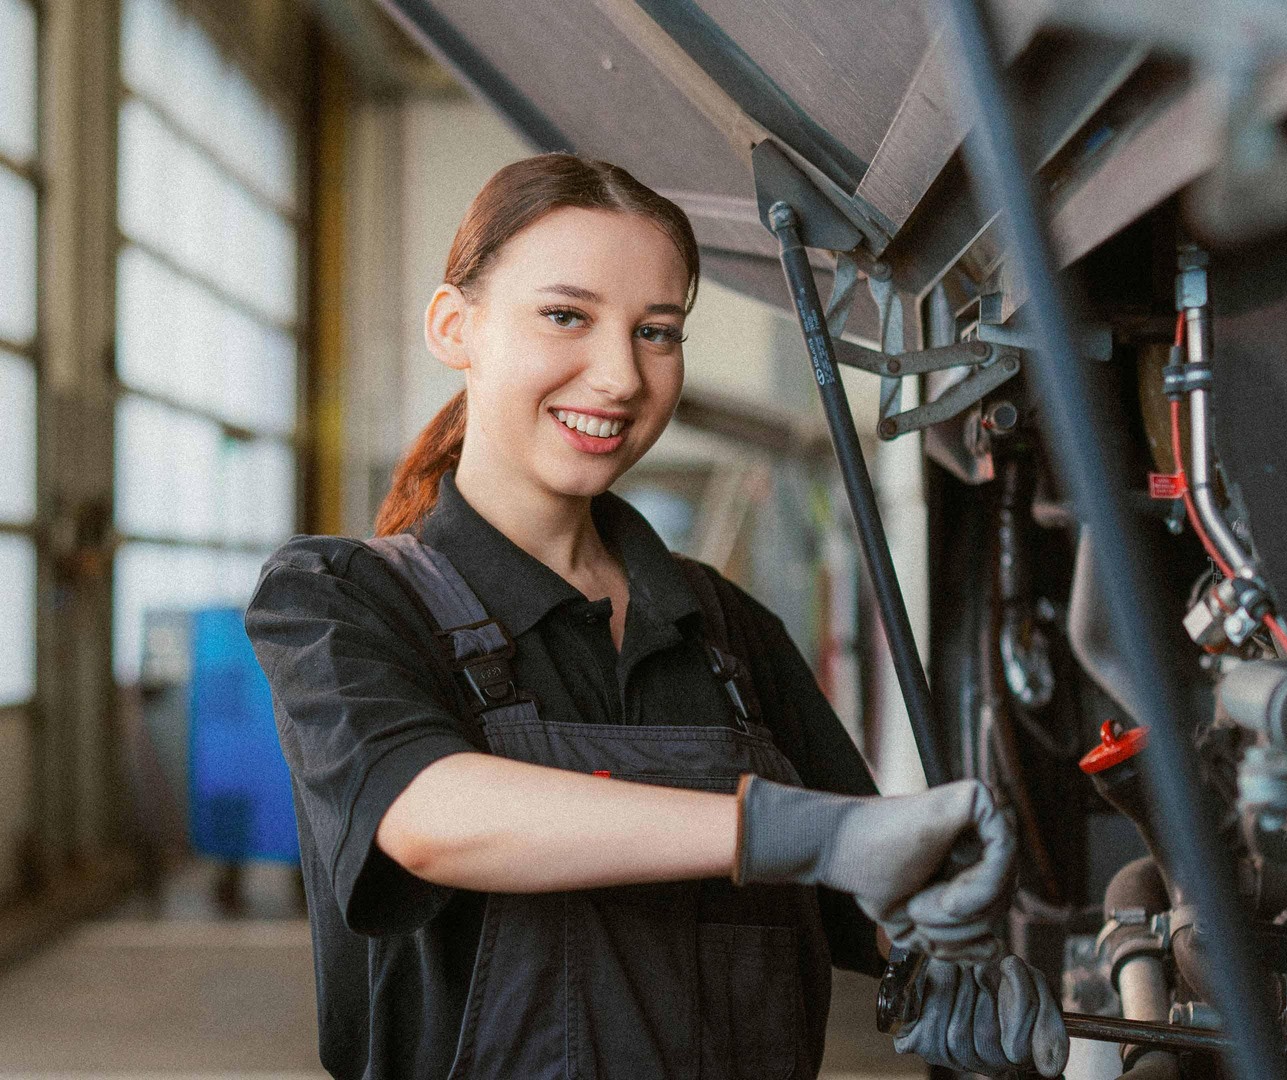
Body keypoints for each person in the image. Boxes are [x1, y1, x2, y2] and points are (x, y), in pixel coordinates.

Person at [244, 154, 1066, 1079]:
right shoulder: (342, 599)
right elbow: (428, 816)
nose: (620, 377)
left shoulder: (725, 631)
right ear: (454, 327)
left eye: (657, 332)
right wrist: (793, 832)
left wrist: (943, 962)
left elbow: (864, 898)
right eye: (567, 315)